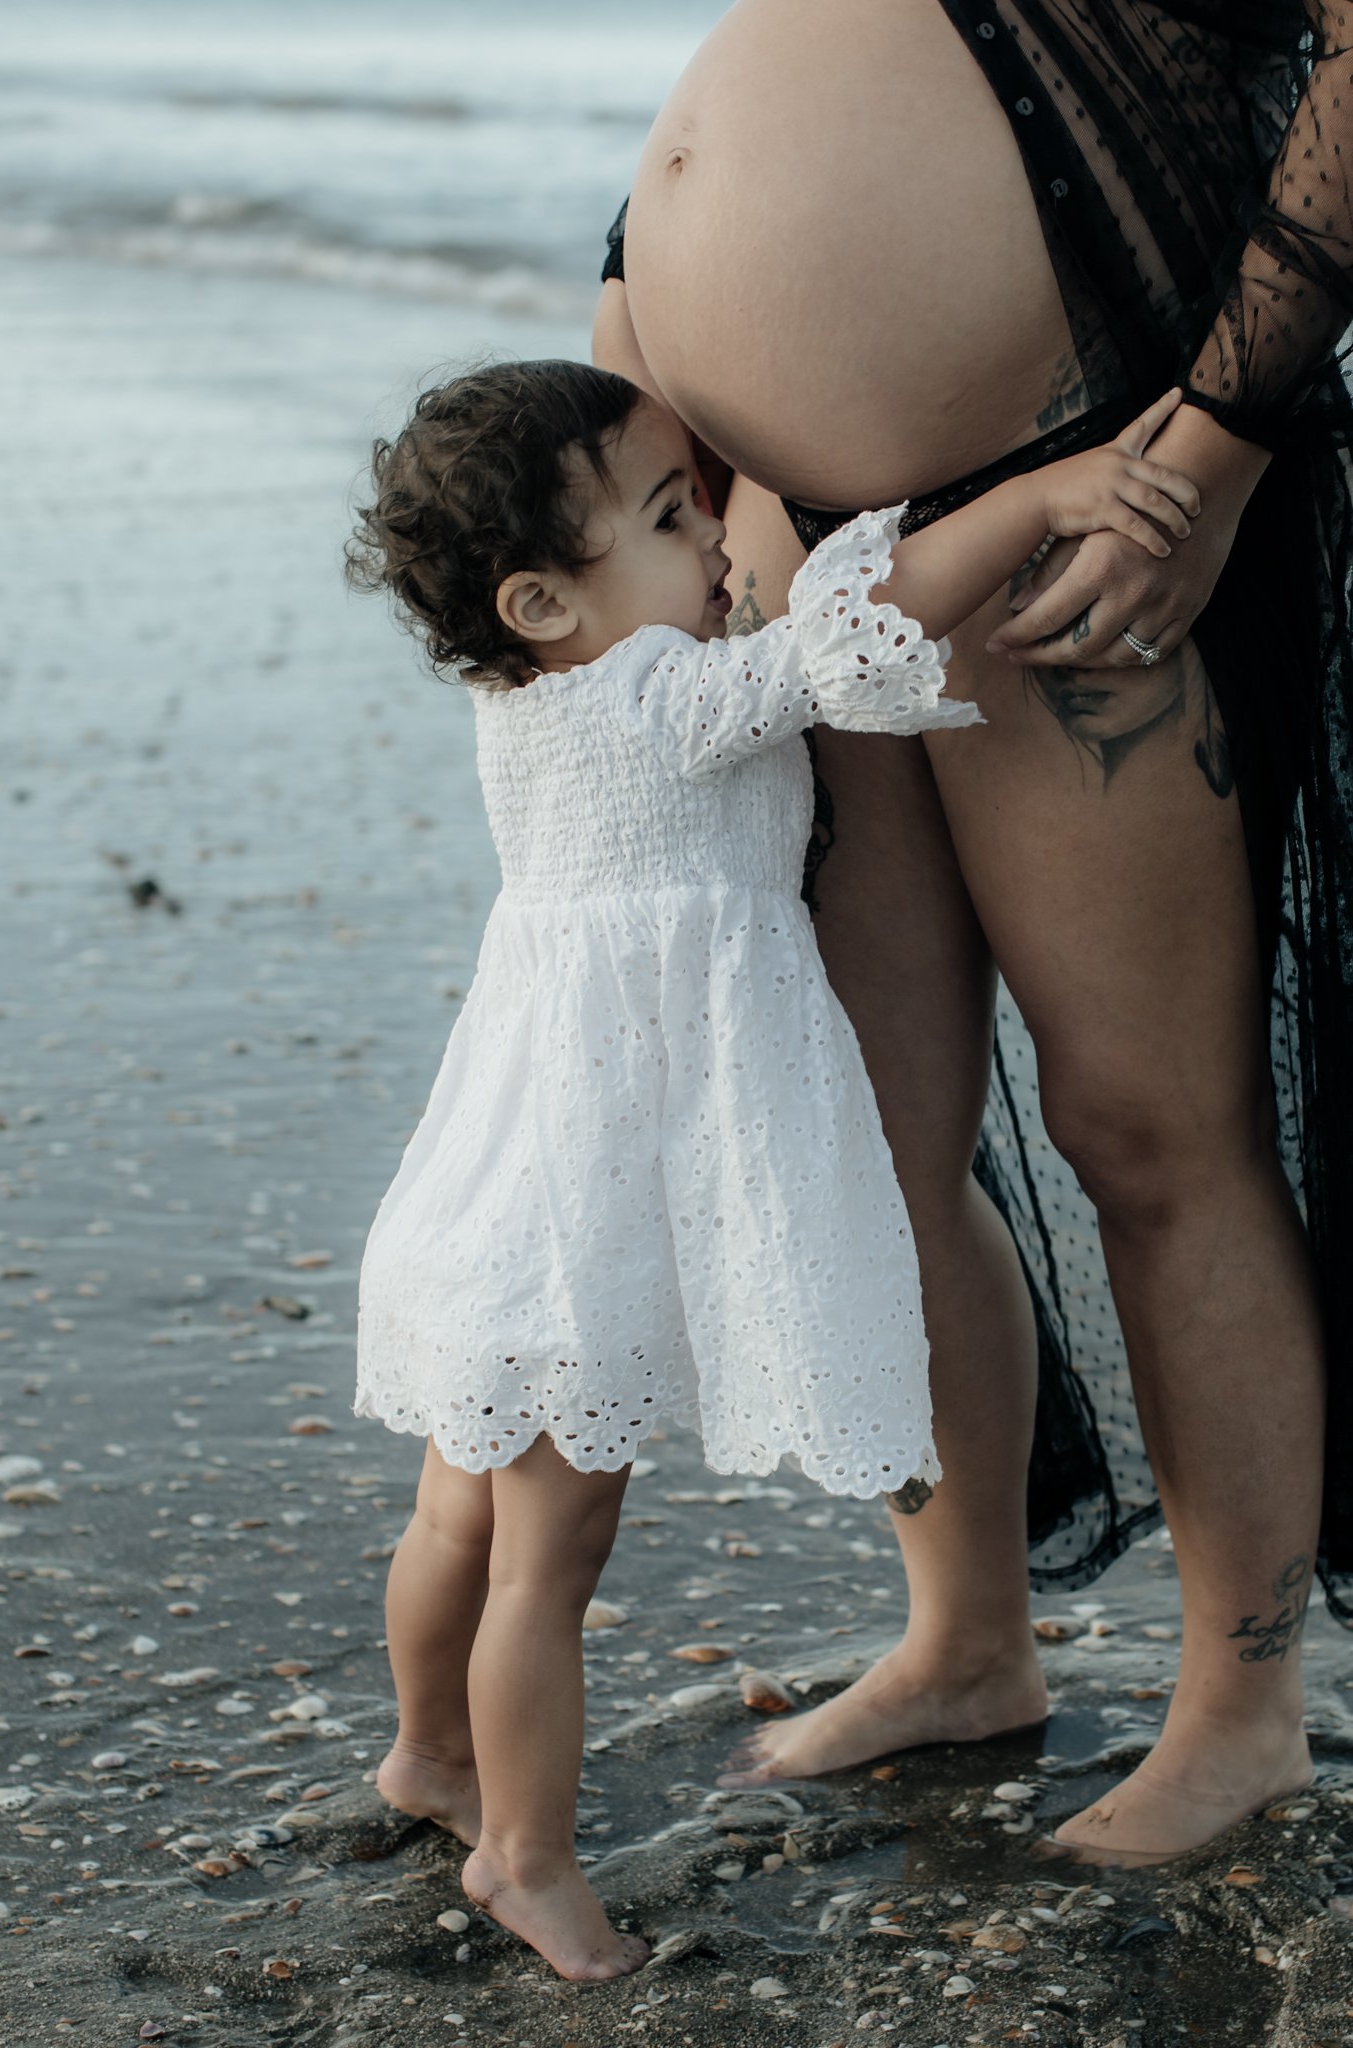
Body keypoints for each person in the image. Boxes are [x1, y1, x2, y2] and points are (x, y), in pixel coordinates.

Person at [594, 0, 1353, 1866]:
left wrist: (1225, 429)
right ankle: (965, 1641)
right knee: (870, 1125)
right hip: (769, 524)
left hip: (1086, 491)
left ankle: (1240, 1710)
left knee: (1144, 1127)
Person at [346, 358, 1196, 1976]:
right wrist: (1028, 499)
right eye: (674, 516)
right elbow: (838, 646)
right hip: (581, 1205)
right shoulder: (659, 703)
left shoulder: (528, 699)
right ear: (541, 602)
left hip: (502, 1181)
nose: (720, 537)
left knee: (457, 1514)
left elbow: (736, 621)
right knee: (551, 1552)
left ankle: (429, 1756)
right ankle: (522, 1855)